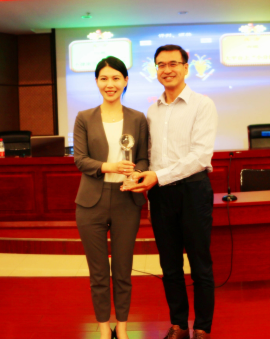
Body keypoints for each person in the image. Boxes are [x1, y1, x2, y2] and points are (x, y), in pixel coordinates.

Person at [126, 45, 218, 339]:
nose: (167, 70)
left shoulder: (202, 104)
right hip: (160, 195)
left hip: (193, 191)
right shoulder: (152, 110)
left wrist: (158, 177)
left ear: (186, 67)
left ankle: (202, 327)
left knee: (200, 264)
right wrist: (145, 184)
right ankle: (178, 325)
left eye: (173, 63)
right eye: (161, 64)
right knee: (169, 265)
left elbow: (200, 156)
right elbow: (151, 155)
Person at [73, 56, 149, 339]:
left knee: (123, 271)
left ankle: (123, 327)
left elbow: (143, 157)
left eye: (116, 78)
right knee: (98, 273)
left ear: (126, 81)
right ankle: (104, 328)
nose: (110, 84)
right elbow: (81, 160)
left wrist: (135, 173)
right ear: (96, 82)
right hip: (90, 202)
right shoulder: (84, 117)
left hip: (126, 201)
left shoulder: (138, 118)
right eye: (104, 78)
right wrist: (111, 167)